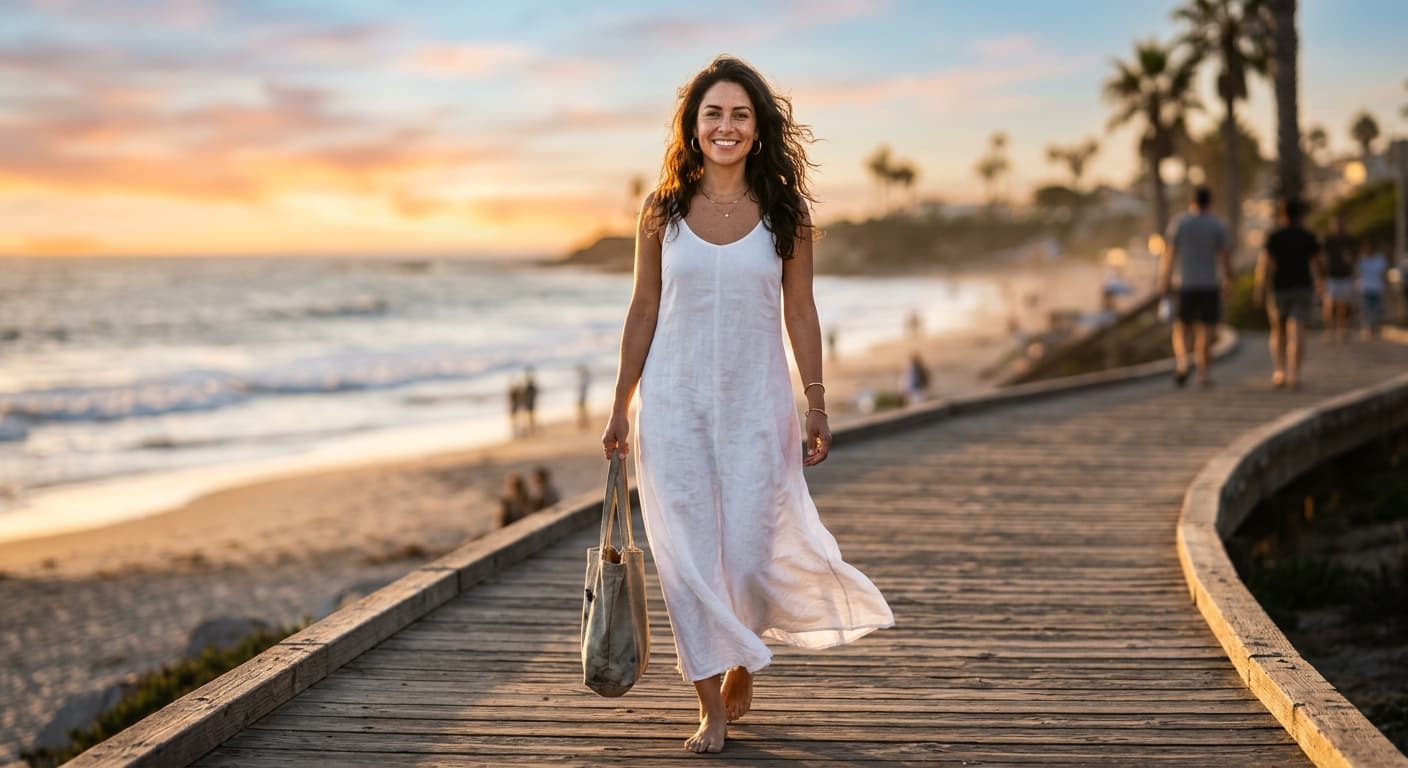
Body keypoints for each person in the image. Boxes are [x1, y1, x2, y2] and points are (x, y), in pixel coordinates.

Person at [600, 55, 893, 754]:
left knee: (751, 552)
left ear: (758, 129)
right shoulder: (662, 210)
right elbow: (643, 309)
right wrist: (619, 404)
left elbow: (801, 310)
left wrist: (816, 403)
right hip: (673, 406)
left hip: (758, 406)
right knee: (685, 557)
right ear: (692, 126)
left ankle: (741, 656)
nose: (725, 126)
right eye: (713, 114)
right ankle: (710, 706)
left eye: (740, 114)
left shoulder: (785, 213)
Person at [1158, 186, 1232, 388]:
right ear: (1210, 202)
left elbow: (1169, 254)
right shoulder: (1217, 225)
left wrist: (1164, 279)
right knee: (1206, 330)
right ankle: (1202, 373)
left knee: (1182, 328)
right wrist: (1228, 280)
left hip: (1185, 284)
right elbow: (1225, 256)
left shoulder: (1180, 223)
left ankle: (1182, 363)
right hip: (1209, 284)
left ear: (1191, 201)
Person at [1255, 198, 1323, 389]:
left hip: (1279, 289)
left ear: (1282, 214)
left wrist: (1260, 288)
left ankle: (1280, 371)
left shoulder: (1274, 236)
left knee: (1278, 331)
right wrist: (1321, 281)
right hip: (1303, 288)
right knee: (1298, 331)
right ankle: (1295, 374)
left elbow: (1265, 265)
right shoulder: (1308, 236)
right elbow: (1319, 262)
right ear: (1300, 215)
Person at [1322, 213, 1357, 342]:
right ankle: (1329, 330)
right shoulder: (1328, 240)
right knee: (1330, 305)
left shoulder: (1349, 240)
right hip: (1331, 276)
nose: (1338, 226)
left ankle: (1341, 330)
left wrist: (1353, 272)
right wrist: (1321, 277)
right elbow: (1322, 259)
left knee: (1343, 305)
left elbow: (1354, 258)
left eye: (1340, 223)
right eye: (1336, 223)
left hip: (1345, 275)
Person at [1357, 238, 1389, 338]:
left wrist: (1386, 287)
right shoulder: (1362, 260)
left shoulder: (1380, 259)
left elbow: (1384, 274)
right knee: (1366, 310)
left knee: (1376, 310)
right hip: (1365, 288)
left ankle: (1373, 328)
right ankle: (1367, 329)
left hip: (1377, 288)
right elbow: (1358, 273)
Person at [521, 367, 539, 435]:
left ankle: (531, 429)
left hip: (530, 402)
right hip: (529, 402)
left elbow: (534, 393)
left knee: (530, 416)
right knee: (529, 416)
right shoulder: (529, 386)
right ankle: (531, 429)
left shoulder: (530, 386)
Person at [576, 363, 592, 431]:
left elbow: (581, 389)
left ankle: (584, 423)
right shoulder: (584, 378)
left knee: (582, 410)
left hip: (582, 397)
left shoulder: (584, 379)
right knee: (583, 410)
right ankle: (584, 423)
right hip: (583, 397)